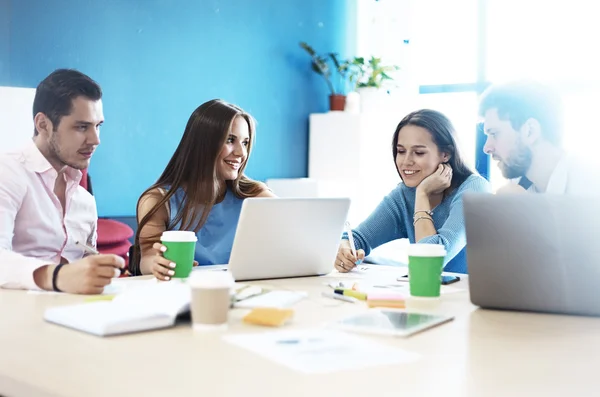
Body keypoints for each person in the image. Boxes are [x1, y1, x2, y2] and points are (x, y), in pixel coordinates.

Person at [0, 69, 124, 293]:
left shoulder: (84, 200)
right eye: (81, 127)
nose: (95, 140)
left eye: (98, 126)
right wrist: (57, 276)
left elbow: (89, 267)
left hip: (75, 317)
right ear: (43, 124)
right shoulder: (7, 173)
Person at [132, 99, 275, 280]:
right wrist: (157, 264)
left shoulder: (254, 195)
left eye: (245, 142)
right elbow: (148, 257)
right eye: (230, 140)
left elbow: (292, 232)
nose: (241, 153)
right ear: (203, 144)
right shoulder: (157, 201)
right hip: (182, 294)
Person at [335, 109, 491, 274]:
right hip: (432, 293)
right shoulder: (403, 195)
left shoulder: (475, 190)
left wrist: (422, 194)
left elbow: (430, 263)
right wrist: (344, 250)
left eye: (419, 152)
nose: (406, 161)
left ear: (446, 154)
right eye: (401, 151)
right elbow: (357, 238)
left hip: (474, 297)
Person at [480, 80, 598, 194]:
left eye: (494, 133)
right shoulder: (518, 188)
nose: (486, 148)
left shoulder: (591, 187)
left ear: (530, 131)